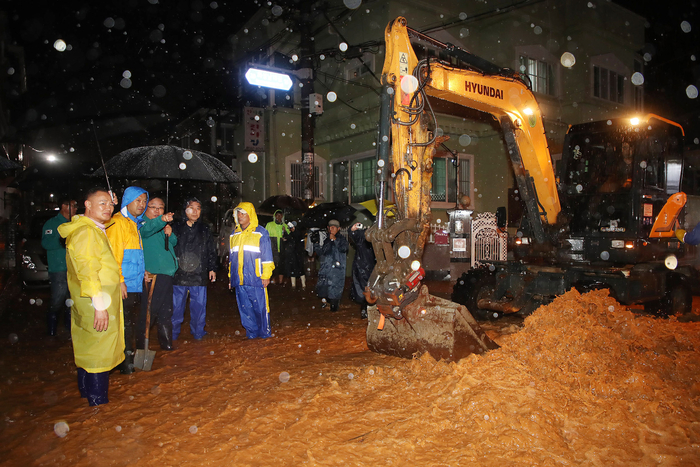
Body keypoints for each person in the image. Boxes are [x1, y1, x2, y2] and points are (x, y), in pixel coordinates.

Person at [58, 187, 124, 406]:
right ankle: (98, 405)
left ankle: (87, 398)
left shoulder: (92, 229)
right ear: (87, 205)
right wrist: (99, 305)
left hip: (89, 299)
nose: (108, 208)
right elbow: (87, 270)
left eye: (110, 204)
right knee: (99, 352)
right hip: (96, 300)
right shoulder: (86, 232)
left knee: (89, 348)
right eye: (102, 203)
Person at [105, 186, 148, 375]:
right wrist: (120, 280)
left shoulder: (134, 224)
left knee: (128, 322)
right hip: (124, 284)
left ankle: (124, 361)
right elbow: (113, 256)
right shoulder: (117, 223)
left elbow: (135, 256)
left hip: (134, 283)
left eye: (144, 201)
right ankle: (124, 363)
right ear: (127, 201)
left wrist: (143, 271)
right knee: (124, 324)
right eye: (137, 200)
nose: (142, 204)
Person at [171, 197, 217, 341]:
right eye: (191, 208)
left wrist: (212, 268)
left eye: (198, 208)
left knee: (199, 307)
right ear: (185, 210)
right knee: (176, 307)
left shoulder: (205, 229)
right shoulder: (175, 228)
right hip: (179, 273)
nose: (195, 211)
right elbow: (168, 249)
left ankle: (198, 331)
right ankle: (173, 333)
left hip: (199, 274)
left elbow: (211, 250)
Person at [229, 202, 274, 339]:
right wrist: (231, 277)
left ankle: (265, 334)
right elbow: (232, 259)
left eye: (243, 213)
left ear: (250, 215)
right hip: (239, 279)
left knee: (260, 308)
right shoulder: (234, 234)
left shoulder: (260, 233)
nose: (240, 216)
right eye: (238, 213)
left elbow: (267, 257)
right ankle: (251, 334)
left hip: (256, 278)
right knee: (245, 309)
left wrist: (266, 275)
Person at [138, 197, 176, 351]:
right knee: (149, 312)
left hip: (167, 274)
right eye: (153, 207)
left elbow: (172, 243)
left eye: (160, 207)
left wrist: (169, 233)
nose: (157, 210)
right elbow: (146, 231)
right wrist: (162, 220)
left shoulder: (161, 225)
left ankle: (166, 345)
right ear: (145, 208)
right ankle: (141, 347)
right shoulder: (143, 224)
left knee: (166, 311)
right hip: (154, 274)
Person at [41, 197, 77, 336]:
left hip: (74, 269)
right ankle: (51, 330)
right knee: (57, 299)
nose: (75, 208)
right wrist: (63, 240)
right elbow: (46, 244)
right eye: (73, 205)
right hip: (59, 269)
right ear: (64, 206)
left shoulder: (75, 223)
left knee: (72, 301)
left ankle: (69, 329)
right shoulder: (52, 224)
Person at [313, 219, 348, 311]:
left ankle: (334, 308)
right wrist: (315, 244)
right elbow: (322, 253)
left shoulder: (342, 239)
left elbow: (343, 248)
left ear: (338, 229)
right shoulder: (327, 240)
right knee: (324, 289)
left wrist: (335, 240)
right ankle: (327, 304)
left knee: (335, 290)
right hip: (326, 268)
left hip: (337, 270)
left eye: (334, 227)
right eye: (330, 227)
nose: (331, 229)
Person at [348, 222, 376, 319]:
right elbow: (353, 234)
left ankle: (370, 309)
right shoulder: (363, 236)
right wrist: (352, 229)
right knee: (364, 289)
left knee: (373, 289)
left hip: (374, 267)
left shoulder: (381, 236)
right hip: (363, 267)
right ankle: (365, 309)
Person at [265, 210, 289, 285]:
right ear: (275, 216)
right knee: (273, 264)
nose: (279, 217)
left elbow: (289, 236)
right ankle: (273, 279)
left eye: (280, 215)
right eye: (277, 215)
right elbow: (265, 236)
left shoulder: (285, 225)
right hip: (273, 247)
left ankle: (281, 281)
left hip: (282, 247)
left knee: (281, 264)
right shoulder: (269, 224)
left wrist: (285, 232)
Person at [282, 221, 306, 290]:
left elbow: (293, 240)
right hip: (293, 255)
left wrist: (285, 235)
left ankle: (302, 285)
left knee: (299, 270)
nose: (290, 229)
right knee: (293, 270)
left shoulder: (297, 234)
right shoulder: (293, 234)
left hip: (297, 255)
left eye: (291, 228)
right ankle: (294, 285)